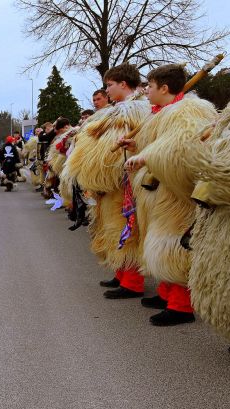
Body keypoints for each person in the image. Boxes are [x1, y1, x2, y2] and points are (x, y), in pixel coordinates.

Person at [118, 64, 217, 326]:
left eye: (150, 86)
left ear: (164, 88)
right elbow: (160, 143)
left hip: (175, 194)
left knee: (174, 244)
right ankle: (166, 293)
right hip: (159, 192)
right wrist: (137, 146)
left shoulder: (188, 111)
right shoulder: (162, 113)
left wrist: (145, 156)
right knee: (159, 243)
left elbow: (182, 145)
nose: (146, 91)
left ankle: (181, 306)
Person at [68, 63, 150, 300]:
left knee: (127, 228)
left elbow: (119, 150)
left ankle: (132, 281)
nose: (107, 90)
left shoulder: (136, 111)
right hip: (110, 185)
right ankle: (121, 272)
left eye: (110, 85)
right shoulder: (117, 110)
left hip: (124, 181)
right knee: (113, 228)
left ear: (123, 84)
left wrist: (103, 173)